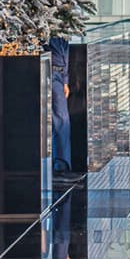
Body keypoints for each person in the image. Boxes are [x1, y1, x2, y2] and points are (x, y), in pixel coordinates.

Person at [48, 37, 75, 180]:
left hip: (58, 76)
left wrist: (65, 80)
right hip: (49, 71)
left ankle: (61, 165)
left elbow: (65, 52)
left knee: (61, 119)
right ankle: (60, 167)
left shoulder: (62, 31)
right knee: (60, 120)